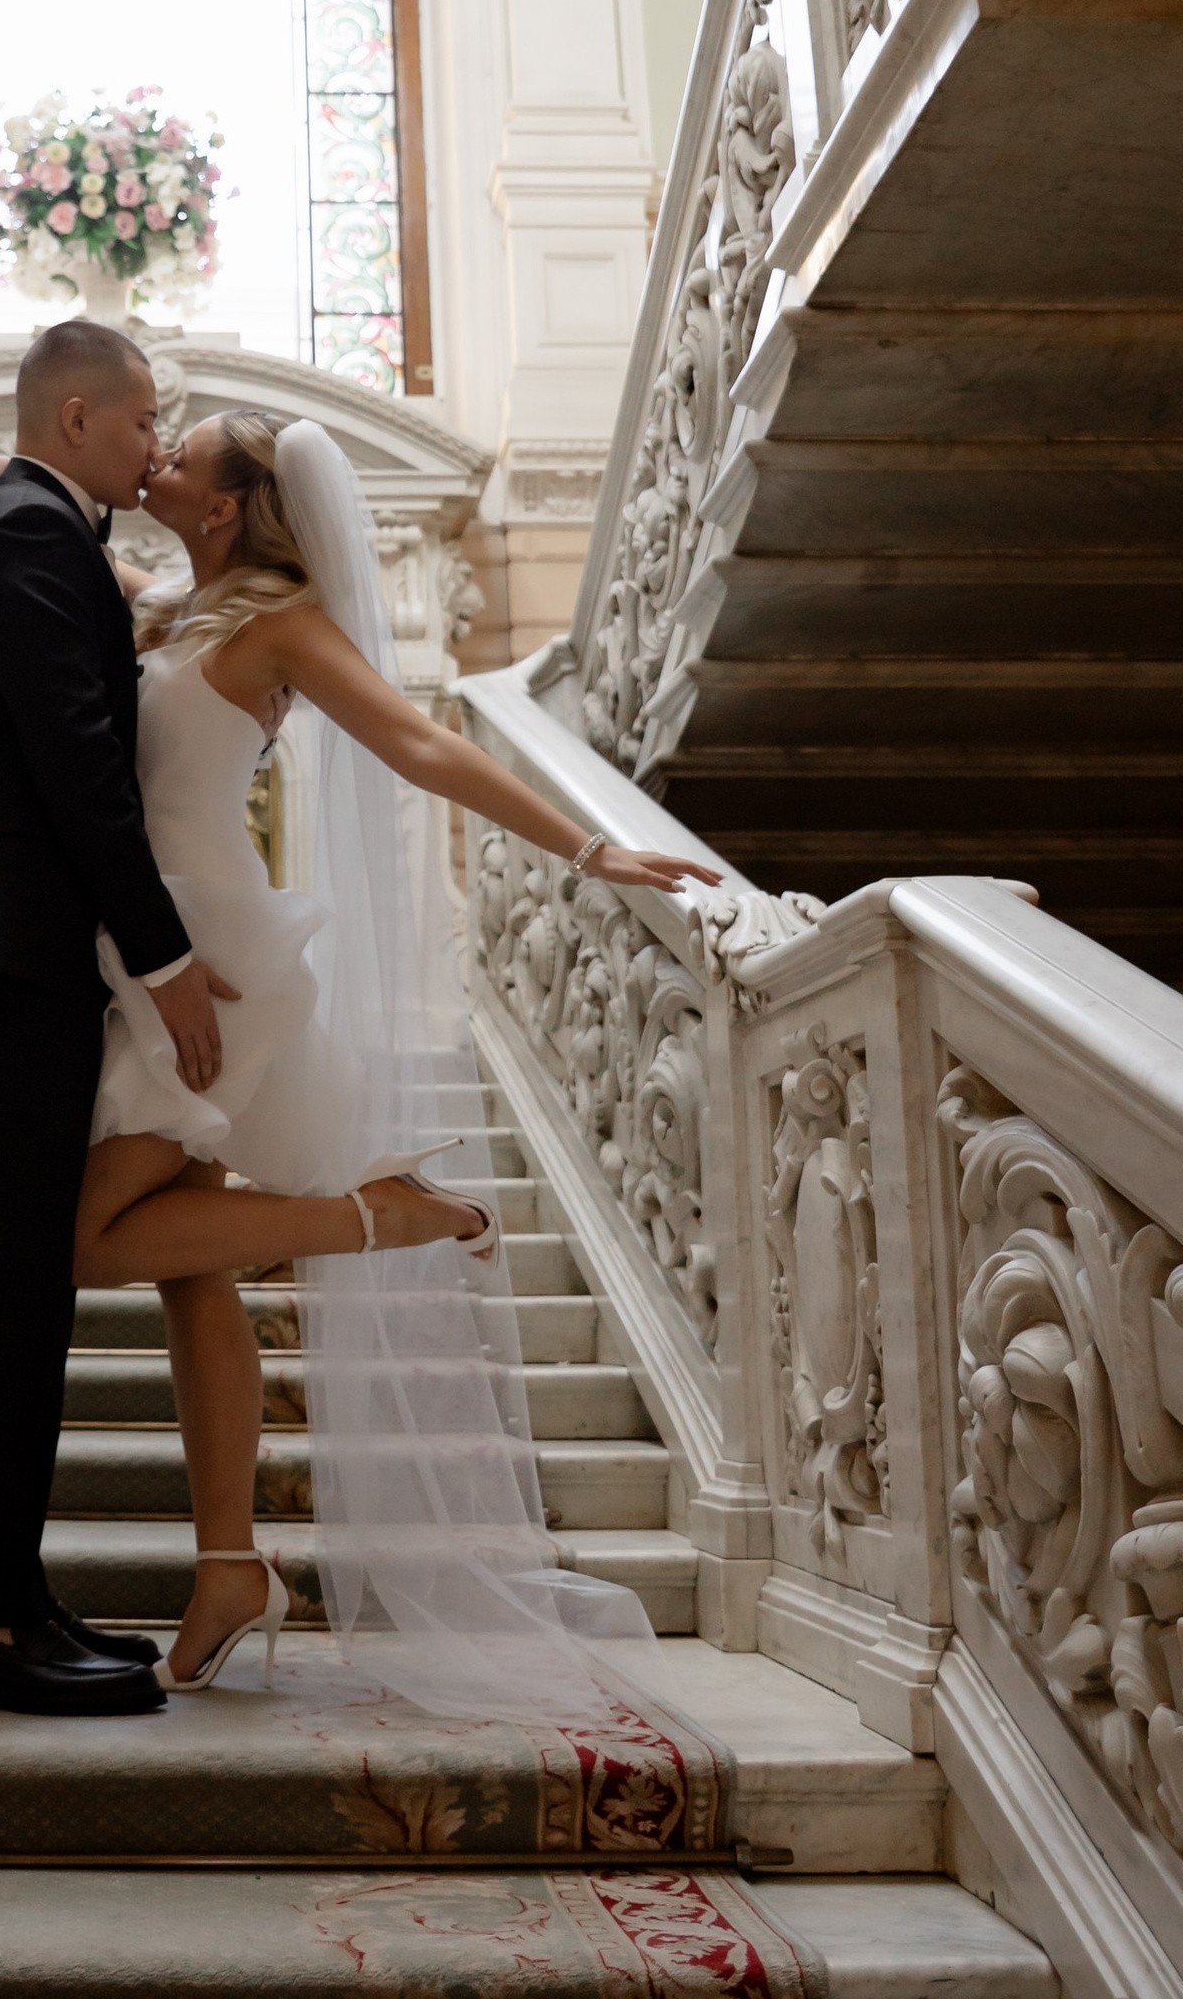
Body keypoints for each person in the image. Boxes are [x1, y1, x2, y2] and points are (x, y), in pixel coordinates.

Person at [72, 405, 720, 1701]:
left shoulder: (278, 623)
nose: (164, 449)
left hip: (215, 961)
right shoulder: (171, 605)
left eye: (186, 444)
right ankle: (228, 1564)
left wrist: (591, 847)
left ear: (228, 501)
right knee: (190, 1277)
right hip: (142, 953)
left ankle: (383, 1216)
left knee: (83, 1241)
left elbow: (418, 742)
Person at [0, 316, 234, 1716]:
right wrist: (163, 957)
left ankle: (4, 1597)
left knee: (22, 1289)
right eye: (146, 418)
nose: (158, 443)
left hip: (11, 950)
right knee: (8, 1292)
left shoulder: (34, 518)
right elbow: (76, 761)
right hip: (10, 950)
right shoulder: (30, 532)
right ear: (81, 414)